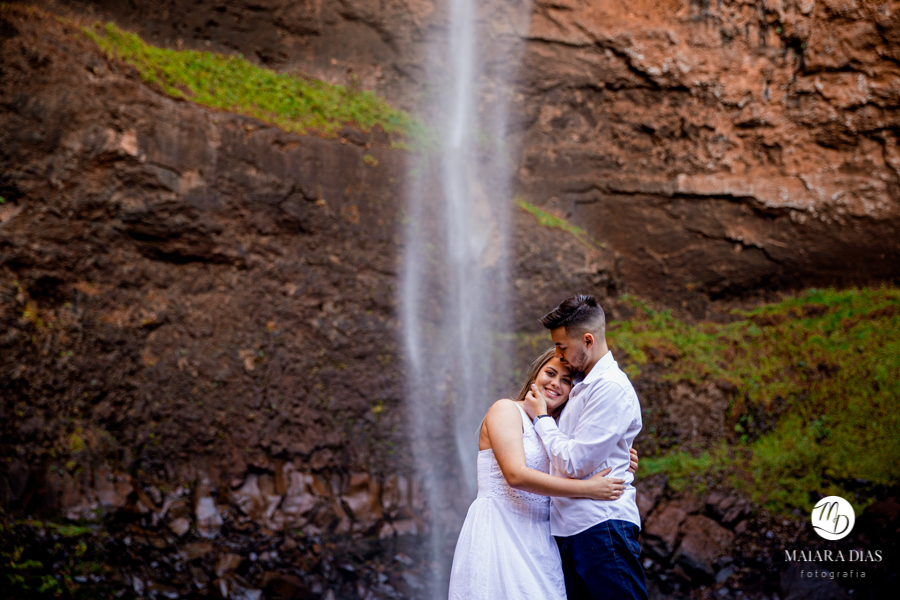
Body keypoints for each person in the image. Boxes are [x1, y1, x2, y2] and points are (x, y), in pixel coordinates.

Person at [448, 348, 638, 600]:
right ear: (535, 374)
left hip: (543, 537)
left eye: (566, 381)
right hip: (501, 528)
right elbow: (516, 475)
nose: (555, 384)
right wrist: (588, 489)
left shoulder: (553, 429)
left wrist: (620, 456)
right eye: (550, 373)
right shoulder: (506, 410)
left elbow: (578, 459)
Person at [525, 293, 648, 600]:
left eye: (562, 346)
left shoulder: (610, 389)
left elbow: (575, 463)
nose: (558, 354)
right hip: (572, 529)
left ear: (588, 340)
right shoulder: (580, 386)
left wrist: (541, 419)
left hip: (601, 524)